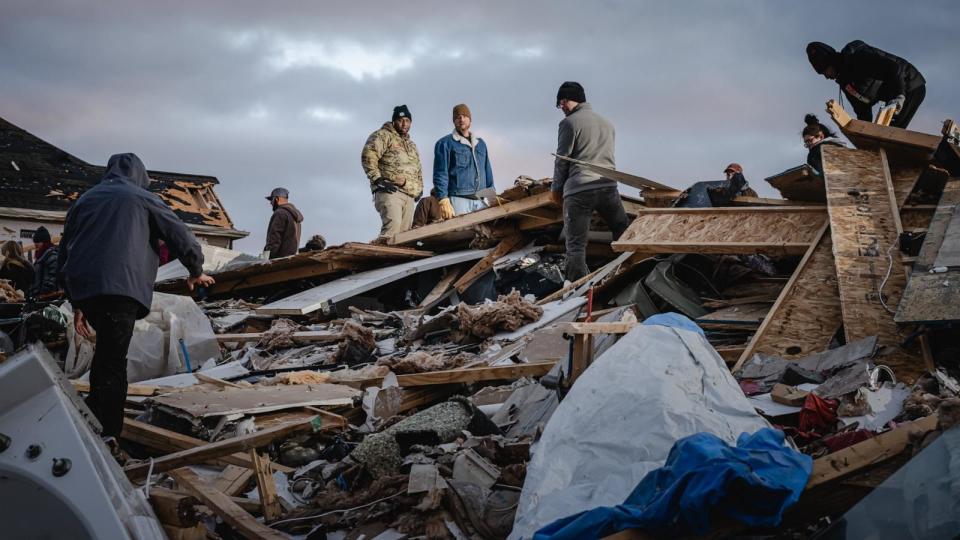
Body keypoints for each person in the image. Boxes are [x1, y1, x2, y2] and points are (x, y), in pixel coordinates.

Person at [58, 153, 214, 436]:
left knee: (106, 356)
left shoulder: (85, 200)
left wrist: (76, 302)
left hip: (88, 291)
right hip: (122, 292)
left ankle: (93, 420)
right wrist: (195, 270)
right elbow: (181, 234)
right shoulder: (143, 198)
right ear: (141, 176)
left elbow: (64, 252)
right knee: (112, 361)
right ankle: (107, 432)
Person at [551, 81, 630, 281]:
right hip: (608, 186)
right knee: (622, 231)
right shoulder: (607, 123)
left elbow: (562, 160)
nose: (561, 109)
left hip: (579, 191)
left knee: (576, 245)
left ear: (567, 100)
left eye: (561, 104)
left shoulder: (569, 123)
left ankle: (576, 290)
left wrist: (556, 190)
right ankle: (627, 274)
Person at [806, 40, 925, 128]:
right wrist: (864, 133)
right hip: (893, 97)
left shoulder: (857, 57)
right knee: (883, 135)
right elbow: (862, 111)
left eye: (825, 71)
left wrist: (899, 95)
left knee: (892, 133)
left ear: (831, 63)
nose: (826, 77)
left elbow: (893, 68)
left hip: (909, 85)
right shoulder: (846, 83)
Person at [361, 105, 424, 239]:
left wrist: (419, 188)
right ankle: (379, 258)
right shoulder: (383, 135)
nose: (404, 123)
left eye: (407, 120)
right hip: (390, 190)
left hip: (409, 193)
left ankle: (399, 261)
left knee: (405, 235)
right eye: (400, 120)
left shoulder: (411, 145)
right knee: (392, 228)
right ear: (394, 121)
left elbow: (417, 168)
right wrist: (377, 180)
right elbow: (369, 155)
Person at [432, 103, 495, 219]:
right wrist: (443, 199)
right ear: (454, 121)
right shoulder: (444, 144)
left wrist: (492, 198)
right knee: (462, 234)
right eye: (457, 117)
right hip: (459, 201)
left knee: (485, 235)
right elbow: (440, 174)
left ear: (470, 119)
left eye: (464, 116)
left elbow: (488, 172)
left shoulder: (481, 144)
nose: (461, 119)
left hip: (481, 201)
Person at [264, 187, 303, 259]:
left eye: (271, 200)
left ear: (277, 199)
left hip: (279, 260)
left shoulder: (280, 213)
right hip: (292, 259)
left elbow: (274, 239)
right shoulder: (295, 215)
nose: (270, 203)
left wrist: (267, 258)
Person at [29, 226, 60, 298]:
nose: (35, 244)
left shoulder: (52, 255)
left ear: (45, 242)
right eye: (35, 242)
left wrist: (45, 291)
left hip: (48, 297)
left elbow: (53, 275)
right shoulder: (41, 255)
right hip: (40, 296)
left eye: (38, 241)